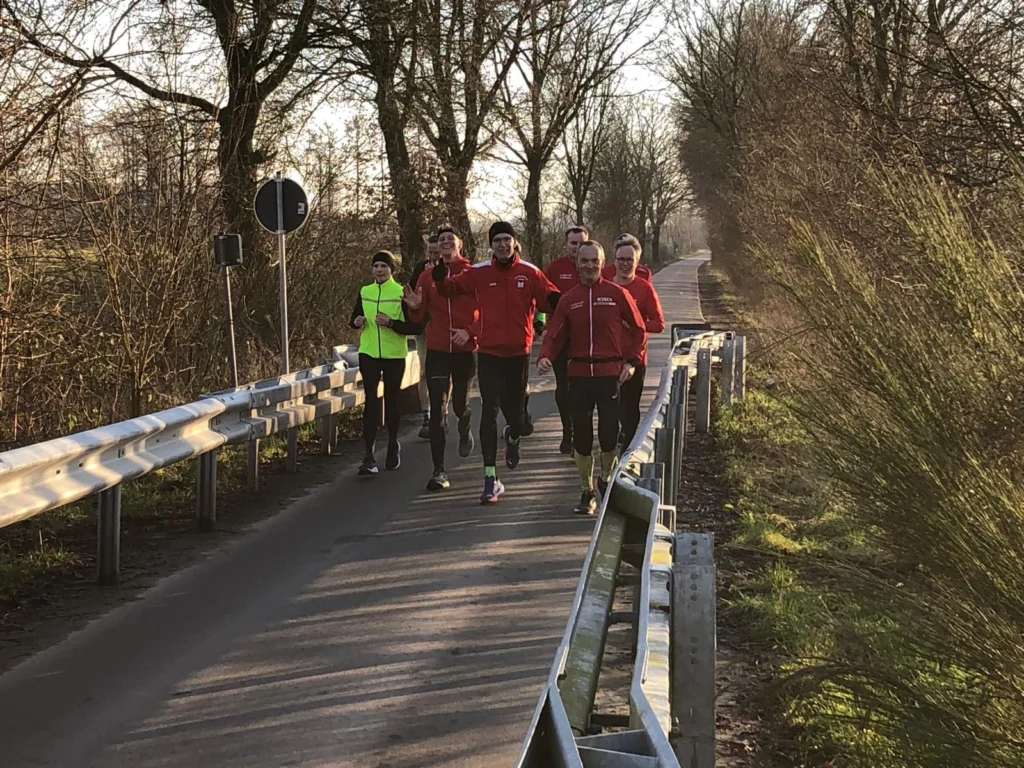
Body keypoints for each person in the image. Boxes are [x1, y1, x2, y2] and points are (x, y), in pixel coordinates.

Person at [434, 221, 560, 503]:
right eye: (497, 241)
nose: (502, 244)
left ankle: (513, 438)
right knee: (488, 411)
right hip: (489, 352)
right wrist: (440, 278)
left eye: (507, 239)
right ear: (490, 245)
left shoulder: (529, 272)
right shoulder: (478, 272)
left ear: (515, 243)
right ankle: (490, 477)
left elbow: (550, 301)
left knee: (516, 417)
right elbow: (449, 290)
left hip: (518, 354)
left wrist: (563, 300)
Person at [538, 240, 645, 515]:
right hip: (579, 375)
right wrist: (545, 356)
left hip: (610, 374)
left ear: (602, 262)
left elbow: (639, 329)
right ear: (577, 263)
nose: (588, 266)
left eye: (594, 261)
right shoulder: (569, 298)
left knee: (609, 436)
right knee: (582, 438)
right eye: (584, 261)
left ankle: (606, 479)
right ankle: (586, 492)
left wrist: (632, 362)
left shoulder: (617, 294)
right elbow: (554, 333)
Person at [405, 226, 478, 491]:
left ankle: (465, 422)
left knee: (459, 404)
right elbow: (418, 316)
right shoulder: (425, 277)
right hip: (437, 349)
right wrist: (413, 307)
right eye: (441, 240)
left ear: (460, 245)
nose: (445, 242)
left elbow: (485, 310)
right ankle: (439, 471)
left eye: (450, 239)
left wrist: (469, 332)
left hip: (464, 349)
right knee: (438, 409)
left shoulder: (472, 274)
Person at [349, 250, 422, 476]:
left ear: (392, 269)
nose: (379, 270)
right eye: (376, 266)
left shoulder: (401, 293)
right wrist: (357, 321)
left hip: (393, 354)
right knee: (371, 400)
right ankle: (369, 456)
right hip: (369, 352)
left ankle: (392, 444)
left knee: (391, 400)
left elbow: (414, 327)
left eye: (384, 266)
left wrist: (391, 323)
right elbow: (354, 318)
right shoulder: (365, 291)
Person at [611, 234, 666, 449]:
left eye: (629, 260)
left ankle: (627, 449)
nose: (624, 264)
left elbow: (659, 323)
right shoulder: (605, 288)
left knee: (629, 407)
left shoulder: (644, 288)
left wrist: (634, 323)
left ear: (637, 262)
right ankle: (612, 441)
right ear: (614, 260)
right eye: (621, 259)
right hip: (608, 357)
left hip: (635, 358)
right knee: (610, 406)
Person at [543, 226, 588, 454]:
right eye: (573, 243)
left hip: (587, 339)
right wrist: (541, 322)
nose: (577, 247)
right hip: (561, 338)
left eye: (581, 243)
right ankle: (567, 432)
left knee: (583, 388)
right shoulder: (554, 269)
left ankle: (582, 432)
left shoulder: (593, 267)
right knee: (564, 387)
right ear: (566, 245)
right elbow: (540, 298)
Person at [410, 235, 442, 439]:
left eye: (436, 252)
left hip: (443, 327)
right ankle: (426, 417)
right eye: (429, 252)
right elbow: (413, 297)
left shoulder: (451, 269)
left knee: (442, 373)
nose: (432, 256)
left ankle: (443, 412)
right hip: (423, 328)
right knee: (423, 372)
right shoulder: (421, 268)